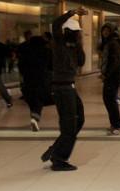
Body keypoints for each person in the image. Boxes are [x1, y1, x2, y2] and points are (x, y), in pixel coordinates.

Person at [40, 7, 87, 171]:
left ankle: (56, 149)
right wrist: (70, 13)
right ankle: (59, 159)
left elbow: (81, 62)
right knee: (69, 126)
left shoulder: (74, 48)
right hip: (62, 88)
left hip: (69, 87)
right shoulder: (59, 44)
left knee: (79, 119)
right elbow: (55, 24)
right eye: (77, 32)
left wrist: (79, 43)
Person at [21, 35, 53, 131]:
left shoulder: (26, 53)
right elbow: (51, 65)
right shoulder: (47, 52)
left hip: (28, 82)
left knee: (33, 101)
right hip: (42, 80)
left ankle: (34, 118)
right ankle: (34, 119)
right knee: (39, 100)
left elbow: (21, 67)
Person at [99, 22, 120, 135]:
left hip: (113, 75)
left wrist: (106, 74)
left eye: (107, 31)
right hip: (111, 75)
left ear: (112, 32)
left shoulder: (113, 43)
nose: (105, 33)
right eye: (103, 31)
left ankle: (118, 125)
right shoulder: (108, 42)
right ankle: (114, 123)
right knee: (108, 99)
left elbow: (115, 61)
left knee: (110, 100)